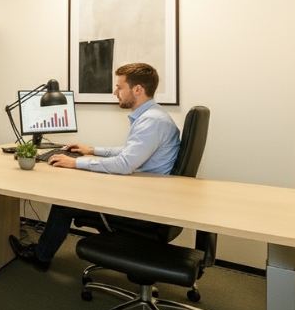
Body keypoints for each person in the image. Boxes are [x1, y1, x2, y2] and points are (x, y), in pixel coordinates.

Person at [9, 63, 181, 272]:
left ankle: (41, 257)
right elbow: (131, 152)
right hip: (148, 194)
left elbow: (125, 163)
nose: (115, 92)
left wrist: (74, 162)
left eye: (119, 87)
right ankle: (42, 251)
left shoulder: (152, 122)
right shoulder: (153, 116)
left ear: (137, 89)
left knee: (64, 204)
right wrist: (92, 150)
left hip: (142, 206)